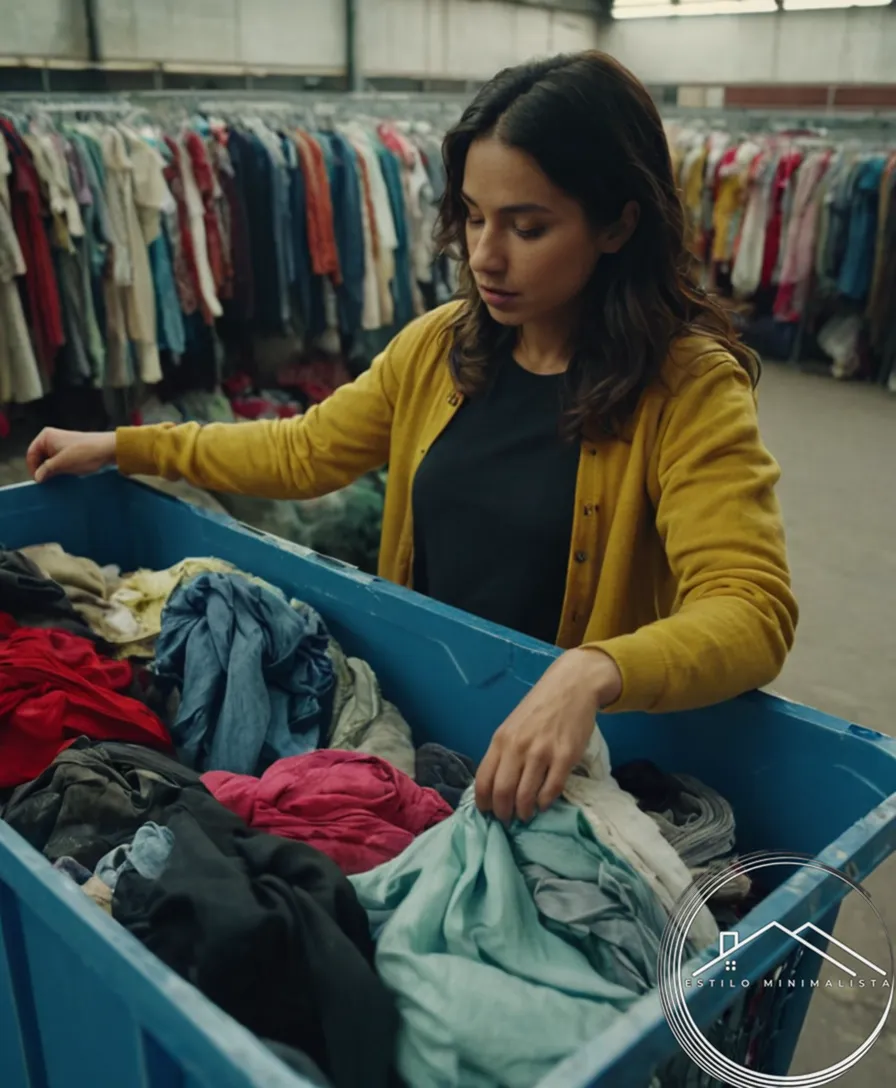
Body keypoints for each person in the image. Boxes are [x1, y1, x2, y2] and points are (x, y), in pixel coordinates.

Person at [27, 51, 798, 826]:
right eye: (472, 215)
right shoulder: (443, 348)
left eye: (528, 226)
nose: (486, 256)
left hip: (561, 762)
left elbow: (751, 607)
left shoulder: (689, 387)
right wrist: (126, 446)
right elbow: (302, 452)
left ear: (618, 223)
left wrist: (593, 670)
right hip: (432, 723)